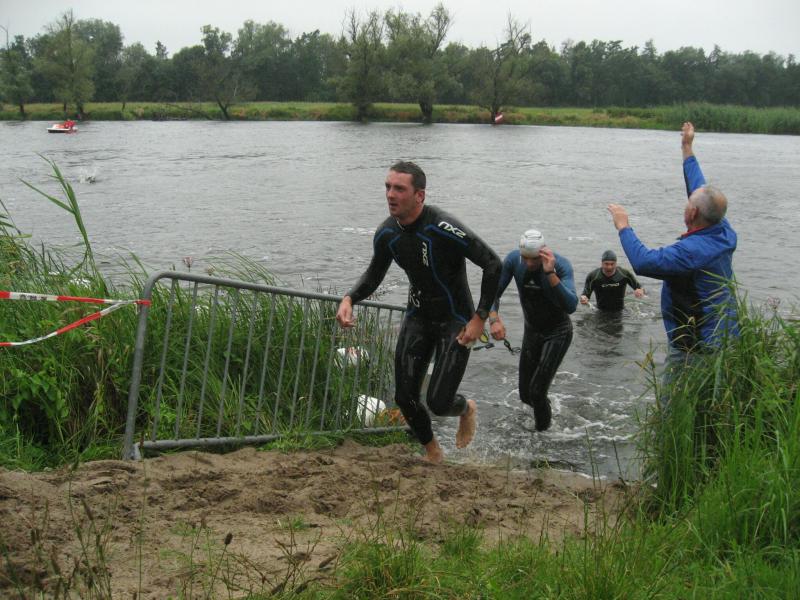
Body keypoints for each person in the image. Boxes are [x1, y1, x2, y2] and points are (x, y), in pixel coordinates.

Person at [336, 161, 502, 463]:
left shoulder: (443, 226)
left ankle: (466, 408)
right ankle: (433, 453)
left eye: (399, 188)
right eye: (388, 187)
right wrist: (350, 298)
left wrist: (480, 318)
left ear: (419, 195)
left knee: (438, 402)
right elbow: (374, 273)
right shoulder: (386, 233)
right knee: (405, 397)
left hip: (456, 320)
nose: (390, 194)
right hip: (418, 317)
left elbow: (492, 264)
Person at [607, 122, 738, 385]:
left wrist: (624, 227)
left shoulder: (690, 252)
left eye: (689, 203)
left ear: (692, 213)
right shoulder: (722, 228)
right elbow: (699, 188)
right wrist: (687, 147)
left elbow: (644, 262)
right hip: (724, 333)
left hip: (697, 345)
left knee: (676, 403)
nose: (687, 203)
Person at [488, 229, 578, 431]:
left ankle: (543, 436)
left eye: (534, 258)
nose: (529, 263)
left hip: (558, 332)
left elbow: (571, 305)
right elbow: (493, 293)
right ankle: (546, 412)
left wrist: (550, 273)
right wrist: (494, 319)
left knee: (537, 392)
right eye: (525, 258)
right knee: (525, 394)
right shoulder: (513, 260)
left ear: (543, 253)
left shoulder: (561, 265)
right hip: (532, 332)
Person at [580, 250, 644, 311]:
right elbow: (585, 294)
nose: (609, 267)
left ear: (616, 263)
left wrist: (639, 291)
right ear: (602, 263)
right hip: (601, 311)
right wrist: (583, 299)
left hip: (620, 311)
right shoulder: (594, 276)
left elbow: (639, 288)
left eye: (612, 264)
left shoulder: (624, 274)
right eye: (606, 264)